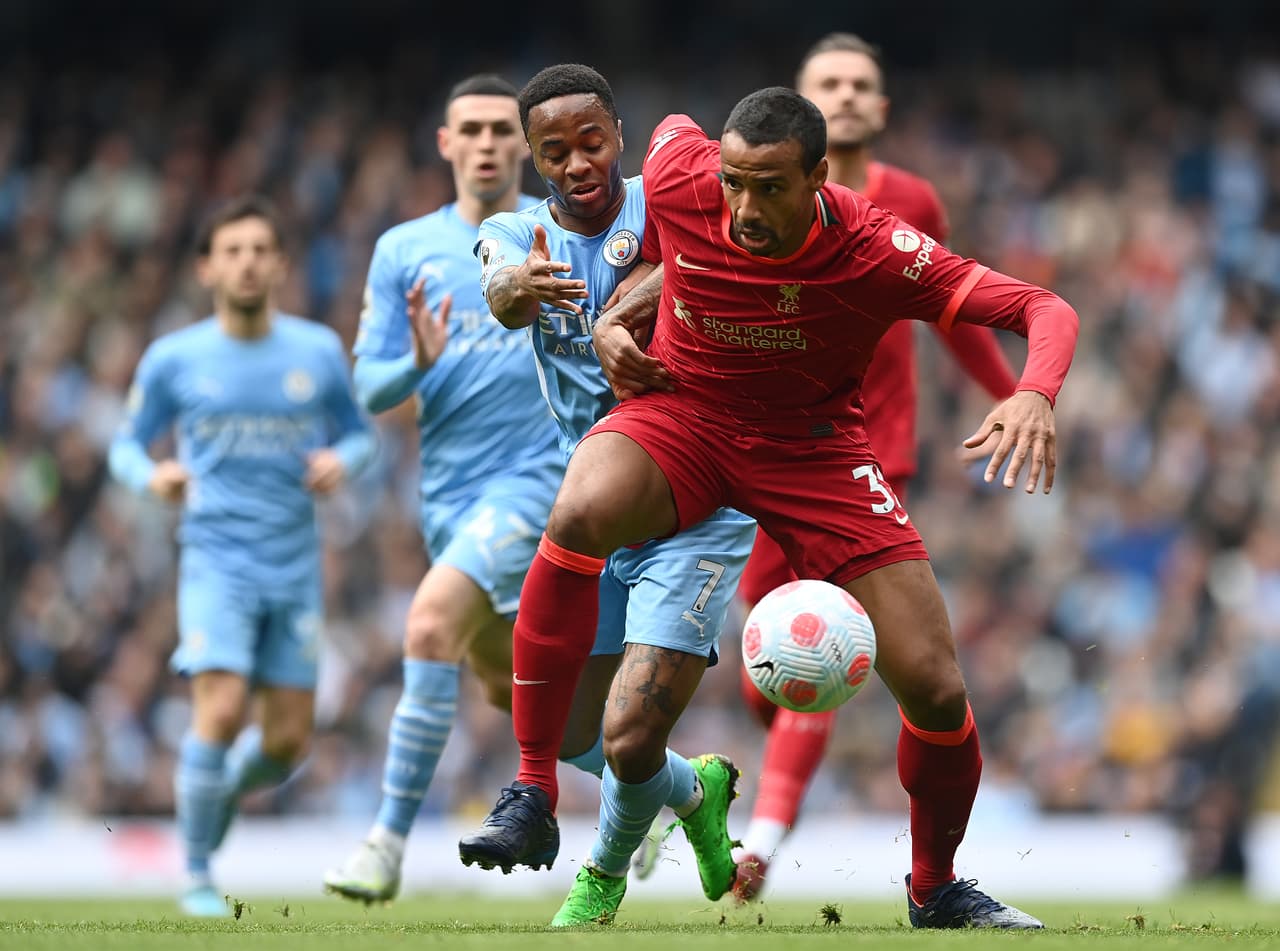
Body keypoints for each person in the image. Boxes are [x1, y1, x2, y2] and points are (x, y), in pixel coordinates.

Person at [471, 86, 1080, 930]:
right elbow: (665, 219)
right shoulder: (683, 167)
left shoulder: (876, 246)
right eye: (735, 184)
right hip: (685, 416)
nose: (744, 207)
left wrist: (1034, 394)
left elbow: (1042, 307)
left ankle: (934, 887)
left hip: (814, 451)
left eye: (769, 188)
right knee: (580, 506)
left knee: (937, 687)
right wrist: (619, 315)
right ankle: (534, 784)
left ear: (819, 178)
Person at [456, 64, 757, 927]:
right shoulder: (515, 230)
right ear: (534, 157)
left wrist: (621, 314)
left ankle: (600, 877)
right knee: (579, 731)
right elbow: (500, 285)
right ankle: (695, 794)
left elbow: (729, 246)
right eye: (555, 151)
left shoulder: (660, 203)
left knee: (626, 736)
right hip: (592, 507)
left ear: (618, 136)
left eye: (591, 142)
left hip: (694, 503)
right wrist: (512, 289)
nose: (578, 162)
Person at [724, 32, 1021, 903]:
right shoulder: (746, 200)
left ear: (882, 109)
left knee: (853, 647)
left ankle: (767, 841)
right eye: (830, 83)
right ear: (802, 102)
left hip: (861, 456)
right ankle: (775, 771)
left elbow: (954, 310)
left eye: (862, 84)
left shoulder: (910, 201)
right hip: (753, 455)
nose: (848, 95)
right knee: (769, 674)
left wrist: (1010, 393)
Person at [320, 75, 568, 904]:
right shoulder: (405, 250)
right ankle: (684, 793)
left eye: (506, 129)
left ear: (525, 144)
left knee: (426, 624)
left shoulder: (558, 230)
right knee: (524, 700)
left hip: (540, 485)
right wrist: (419, 362)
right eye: (476, 128)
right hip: (452, 502)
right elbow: (370, 388)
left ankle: (385, 842)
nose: (491, 142)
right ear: (447, 142)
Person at [109, 195, 377, 916]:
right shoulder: (175, 358)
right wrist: (152, 476)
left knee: (287, 742)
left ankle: (218, 789)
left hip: (293, 566)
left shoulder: (316, 351)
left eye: (261, 249)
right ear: (206, 267)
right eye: (232, 250)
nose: (248, 261)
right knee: (220, 708)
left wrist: (340, 461)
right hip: (216, 560)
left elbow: (359, 433)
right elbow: (124, 445)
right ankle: (195, 872)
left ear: (282, 263)